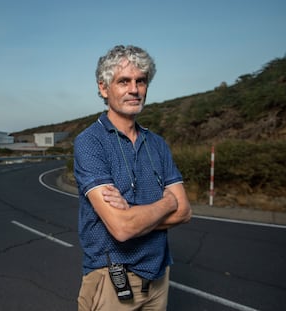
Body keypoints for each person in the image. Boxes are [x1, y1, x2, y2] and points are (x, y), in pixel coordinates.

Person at [74, 45, 192, 311]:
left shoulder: (158, 144)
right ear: (104, 89)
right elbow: (122, 228)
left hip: (159, 278)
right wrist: (165, 204)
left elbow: (184, 212)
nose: (134, 89)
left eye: (141, 81)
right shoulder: (90, 142)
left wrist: (132, 217)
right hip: (110, 280)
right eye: (123, 81)